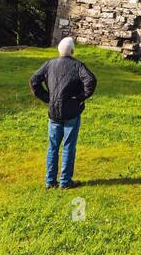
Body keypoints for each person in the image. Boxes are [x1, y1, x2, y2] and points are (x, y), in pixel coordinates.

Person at [30, 37, 97, 190]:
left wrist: (47, 97)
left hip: (54, 112)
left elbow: (34, 80)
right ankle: (65, 182)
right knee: (68, 147)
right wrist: (80, 98)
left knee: (53, 147)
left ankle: (50, 181)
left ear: (59, 51)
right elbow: (91, 81)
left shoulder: (50, 64)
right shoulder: (77, 65)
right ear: (72, 51)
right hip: (71, 111)